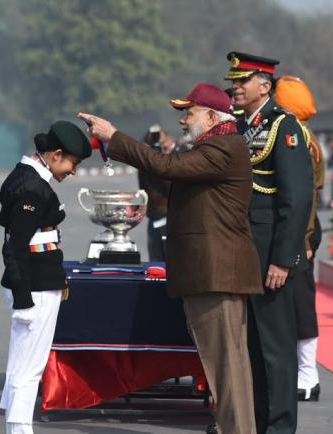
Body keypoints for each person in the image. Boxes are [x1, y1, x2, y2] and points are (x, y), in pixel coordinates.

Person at [79, 82, 264, 434]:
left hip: (216, 274)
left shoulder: (223, 148)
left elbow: (164, 165)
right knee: (226, 368)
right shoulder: (218, 145)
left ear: (212, 116)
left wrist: (114, 136)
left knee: (226, 369)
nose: (182, 120)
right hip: (212, 273)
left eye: (189, 112)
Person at [225, 52, 313, 434]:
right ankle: (258, 423)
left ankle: (279, 427)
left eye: (242, 81)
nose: (235, 88)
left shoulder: (284, 127)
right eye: (233, 82)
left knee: (276, 350)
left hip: (271, 256)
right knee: (253, 348)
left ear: (264, 84)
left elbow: (296, 201)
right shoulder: (243, 126)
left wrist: (282, 260)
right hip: (246, 251)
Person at [0, 120, 92, 434]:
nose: (73, 171)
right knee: (29, 368)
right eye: (73, 163)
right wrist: (23, 298)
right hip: (35, 286)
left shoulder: (28, 180)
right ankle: (20, 429)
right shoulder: (32, 187)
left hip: (34, 283)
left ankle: (16, 429)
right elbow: (15, 247)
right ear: (54, 155)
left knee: (21, 364)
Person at [274, 75, 325, 402]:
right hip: (295, 228)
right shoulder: (300, 134)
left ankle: (309, 375)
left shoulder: (298, 138)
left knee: (300, 303)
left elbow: (304, 196)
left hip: (300, 230)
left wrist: (302, 240)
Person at [138, 124, 171, 261]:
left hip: (169, 218)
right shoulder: (145, 167)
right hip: (153, 217)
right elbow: (143, 188)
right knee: (155, 262)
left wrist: (165, 160)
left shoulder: (175, 160)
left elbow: (171, 188)